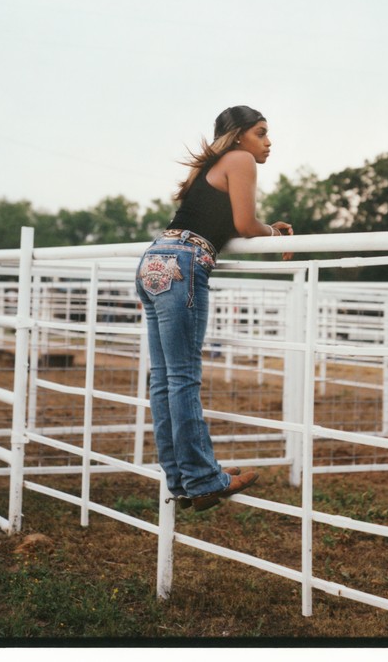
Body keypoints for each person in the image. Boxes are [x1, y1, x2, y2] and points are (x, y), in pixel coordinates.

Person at [136, 106, 293, 512]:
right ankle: (204, 478)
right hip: (186, 261)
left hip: (155, 259)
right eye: (261, 133)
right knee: (183, 379)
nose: (268, 141)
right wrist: (275, 232)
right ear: (240, 135)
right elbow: (244, 224)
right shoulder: (239, 160)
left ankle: (182, 480)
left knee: (165, 380)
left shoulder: (208, 168)